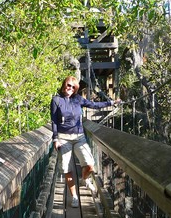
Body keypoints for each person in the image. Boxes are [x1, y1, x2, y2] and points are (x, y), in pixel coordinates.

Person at [50, 75, 121, 207]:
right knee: (66, 168)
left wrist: (111, 103)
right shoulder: (56, 100)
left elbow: (93, 105)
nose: (70, 88)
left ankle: (84, 179)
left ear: (76, 88)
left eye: (73, 86)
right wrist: (55, 138)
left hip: (79, 137)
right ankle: (74, 196)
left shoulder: (77, 99)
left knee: (90, 164)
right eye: (68, 85)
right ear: (63, 84)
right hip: (63, 138)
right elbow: (54, 121)